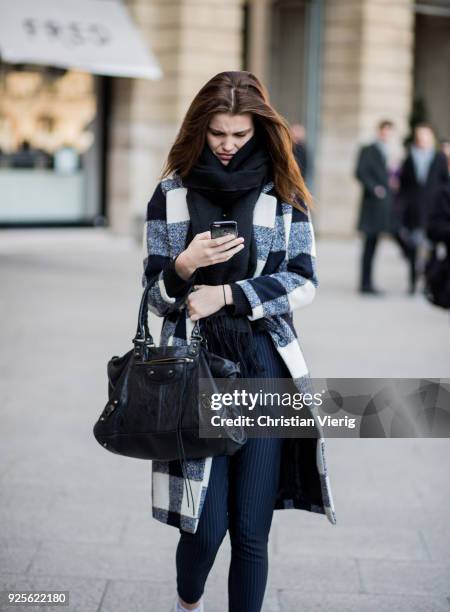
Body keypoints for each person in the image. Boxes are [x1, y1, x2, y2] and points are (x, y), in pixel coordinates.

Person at [141, 71, 336, 612]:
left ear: (259, 131)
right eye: (218, 133)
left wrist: (227, 294)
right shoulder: (171, 194)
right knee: (202, 530)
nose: (227, 145)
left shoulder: (285, 191)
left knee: (251, 530)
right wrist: (183, 266)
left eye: (239, 135)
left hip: (264, 367)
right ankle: (188, 600)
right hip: (196, 371)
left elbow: (303, 281)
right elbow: (155, 297)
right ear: (200, 129)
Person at [398, 123, 450, 294]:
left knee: (432, 249)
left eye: (426, 135)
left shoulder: (439, 157)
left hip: (433, 210)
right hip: (414, 210)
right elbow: (403, 185)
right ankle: (412, 282)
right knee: (413, 247)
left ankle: (429, 282)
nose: (423, 138)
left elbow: (445, 183)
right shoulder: (409, 157)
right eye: (420, 135)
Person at [355, 120, 396, 294]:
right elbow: (359, 172)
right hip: (371, 205)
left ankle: (368, 283)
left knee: (374, 245)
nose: (386, 135)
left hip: (383, 206)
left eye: (389, 132)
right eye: (384, 131)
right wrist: (375, 188)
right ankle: (365, 284)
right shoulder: (368, 149)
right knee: (369, 246)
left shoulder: (390, 152)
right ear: (379, 131)